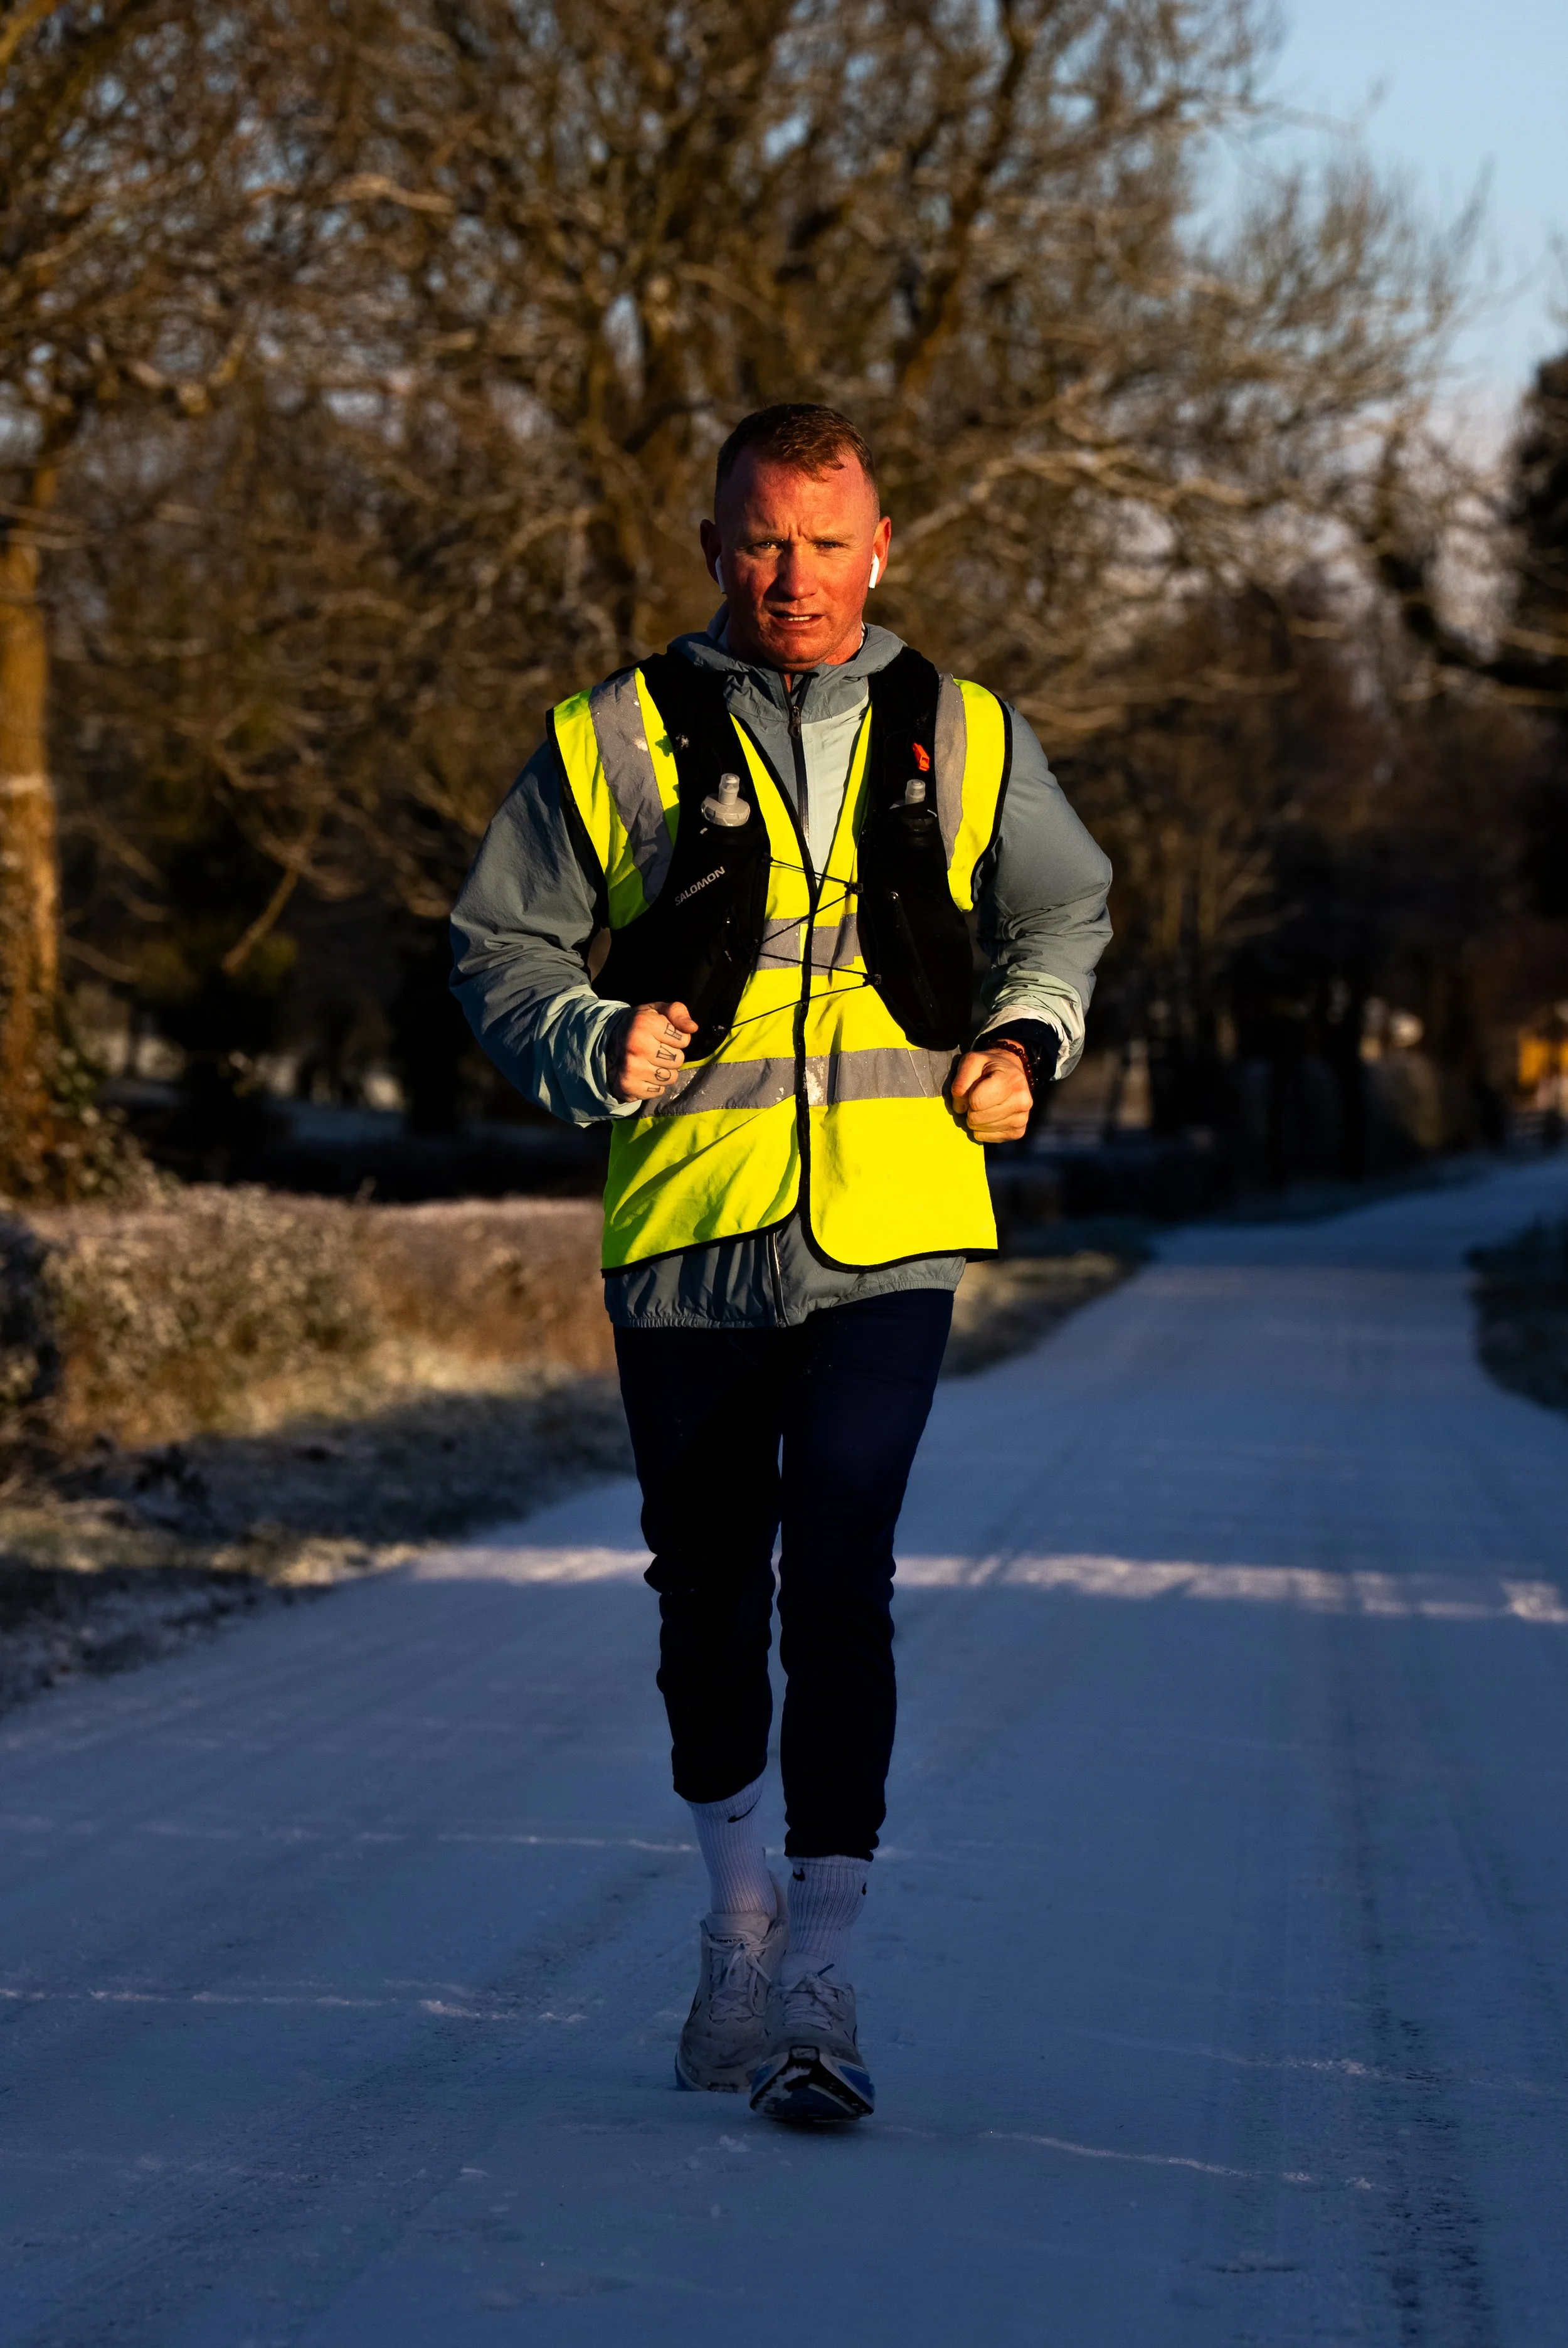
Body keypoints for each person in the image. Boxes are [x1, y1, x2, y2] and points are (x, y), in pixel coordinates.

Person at [450, 403, 1111, 2125]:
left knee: (838, 1569)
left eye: (828, 543)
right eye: (762, 541)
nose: (795, 578)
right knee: (703, 1590)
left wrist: (1025, 1039)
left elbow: (1066, 907)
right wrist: (591, 1038)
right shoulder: (614, 734)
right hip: (685, 1230)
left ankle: (823, 1967)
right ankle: (734, 1913)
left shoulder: (960, 734)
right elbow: (494, 940)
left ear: (879, 549)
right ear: (712, 547)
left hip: (890, 1227)